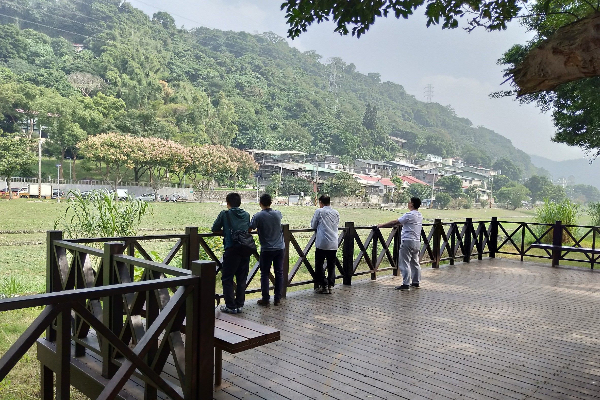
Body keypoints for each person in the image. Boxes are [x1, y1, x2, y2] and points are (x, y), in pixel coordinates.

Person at [212, 192, 251, 314]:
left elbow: (214, 229)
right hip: (245, 249)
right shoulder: (246, 214)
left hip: (232, 249)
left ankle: (230, 306)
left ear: (227, 202)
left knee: (227, 278)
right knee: (241, 278)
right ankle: (239, 305)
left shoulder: (225, 214)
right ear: (239, 202)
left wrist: (226, 231)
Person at [377, 197, 423, 291]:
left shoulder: (409, 214)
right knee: (415, 262)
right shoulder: (419, 215)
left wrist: (381, 225)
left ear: (412, 204)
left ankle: (406, 284)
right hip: (417, 241)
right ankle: (415, 282)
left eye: (409, 202)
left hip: (407, 241)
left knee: (404, 262)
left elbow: (396, 222)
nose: (408, 203)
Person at [250, 193, 285, 306]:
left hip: (266, 249)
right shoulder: (278, 214)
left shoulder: (258, 216)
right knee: (279, 272)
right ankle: (277, 298)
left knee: (264, 274)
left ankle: (265, 299)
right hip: (280, 248)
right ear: (271, 202)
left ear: (260, 203)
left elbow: (250, 228)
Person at [311, 195, 340, 294]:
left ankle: (324, 284)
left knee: (319, 264)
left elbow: (313, 225)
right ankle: (330, 285)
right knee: (331, 265)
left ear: (320, 202)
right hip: (333, 242)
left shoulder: (319, 211)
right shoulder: (336, 212)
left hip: (322, 243)